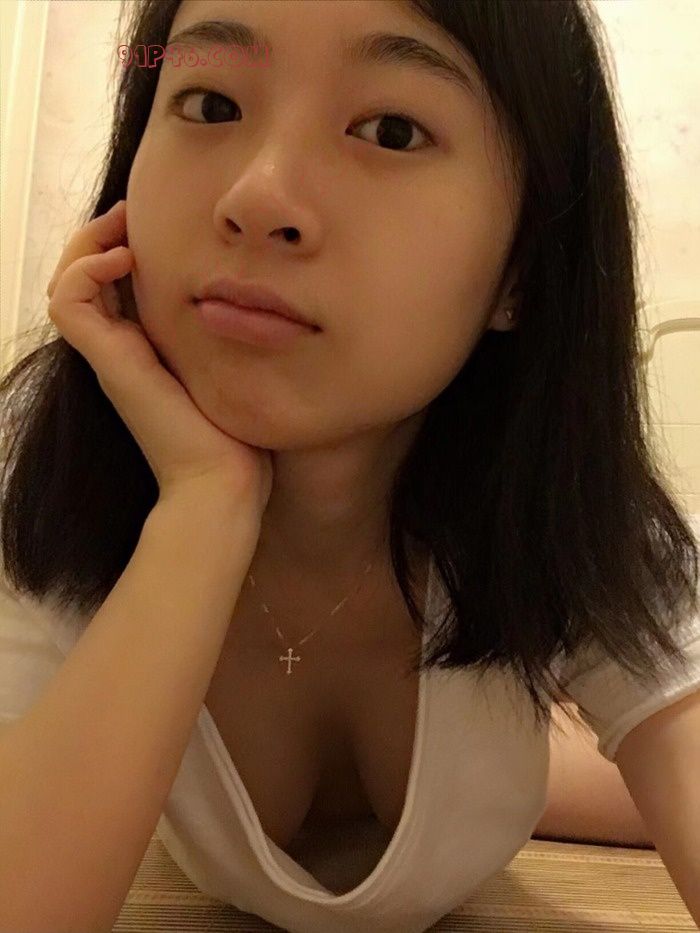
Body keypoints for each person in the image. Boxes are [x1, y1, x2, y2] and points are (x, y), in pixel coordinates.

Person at [1, 1, 698, 931]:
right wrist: (203, 506)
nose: (258, 196)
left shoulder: (579, 517)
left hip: (524, 772)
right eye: (211, 104)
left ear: (523, 267)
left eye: (391, 130)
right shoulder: (45, 474)